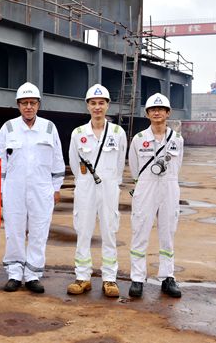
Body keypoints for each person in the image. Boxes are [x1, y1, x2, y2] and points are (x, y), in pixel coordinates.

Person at [0, 82, 65, 294]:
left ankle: (33, 275)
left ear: (38, 104)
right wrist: (1, 190)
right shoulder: (8, 128)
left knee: (39, 231)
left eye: (32, 103)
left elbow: (57, 159)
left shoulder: (49, 127)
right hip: (13, 189)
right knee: (14, 231)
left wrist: (56, 188)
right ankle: (15, 274)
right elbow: (0, 162)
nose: (28, 107)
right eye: (24, 103)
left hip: (41, 189)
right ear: (18, 105)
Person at [66, 84, 127, 298]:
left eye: (101, 103)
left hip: (109, 187)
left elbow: (120, 163)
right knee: (83, 231)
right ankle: (82, 277)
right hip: (85, 187)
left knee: (109, 231)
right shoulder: (78, 133)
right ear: (87, 106)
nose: (97, 107)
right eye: (93, 103)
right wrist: (84, 181)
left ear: (108, 105)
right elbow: (74, 163)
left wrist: (111, 182)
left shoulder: (118, 133)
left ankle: (109, 278)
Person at [128, 93, 184, 298]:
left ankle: (168, 277)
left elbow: (178, 165)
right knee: (140, 231)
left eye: (161, 109)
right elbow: (134, 167)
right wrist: (144, 183)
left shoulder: (177, 139)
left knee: (168, 232)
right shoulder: (139, 139)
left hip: (169, 187)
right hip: (146, 187)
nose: (157, 112)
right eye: (153, 109)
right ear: (147, 114)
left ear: (168, 113)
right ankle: (137, 278)